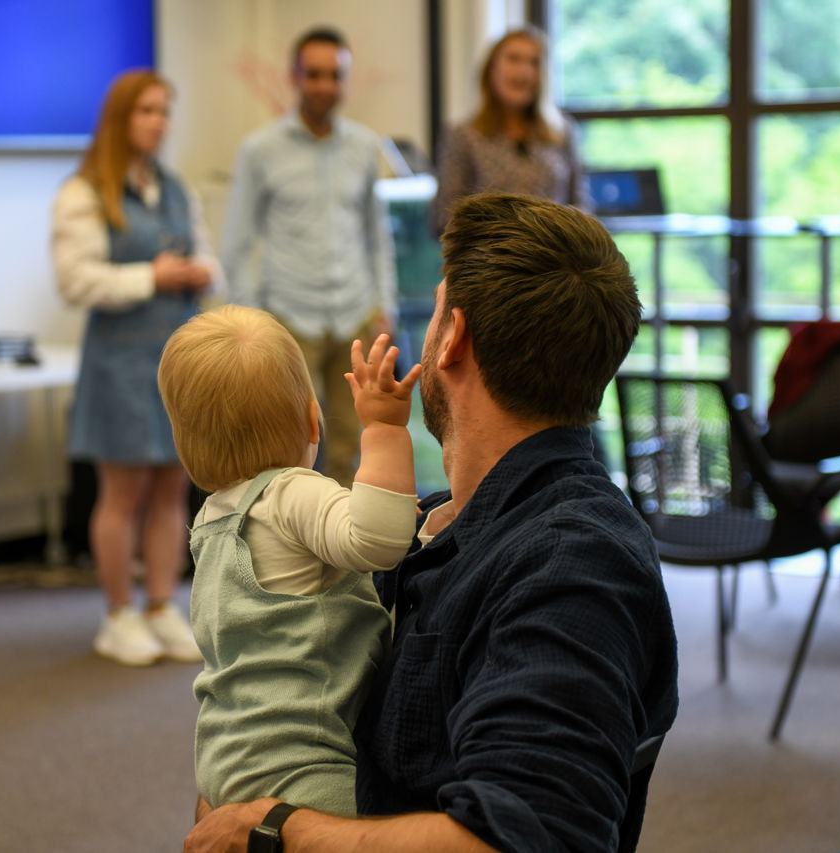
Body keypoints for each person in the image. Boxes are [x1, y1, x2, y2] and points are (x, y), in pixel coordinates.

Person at [184, 193, 679, 853]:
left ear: (453, 339)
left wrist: (273, 827)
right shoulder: (447, 521)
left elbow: (531, 835)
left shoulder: (573, 563)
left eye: (439, 306)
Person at [158, 305, 421, 818]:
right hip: (303, 763)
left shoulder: (213, 519)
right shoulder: (291, 492)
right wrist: (384, 428)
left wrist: (374, 504)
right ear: (311, 419)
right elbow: (381, 543)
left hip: (227, 752)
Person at [51, 69, 222, 667]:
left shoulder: (176, 189)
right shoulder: (83, 193)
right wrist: (152, 276)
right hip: (119, 362)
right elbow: (75, 281)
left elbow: (210, 259)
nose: (157, 122)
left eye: (164, 111)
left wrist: (201, 272)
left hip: (175, 360)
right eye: (146, 110)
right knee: (124, 492)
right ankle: (118, 614)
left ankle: (160, 606)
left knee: (173, 489)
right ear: (120, 119)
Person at [220, 26, 397, 489]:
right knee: (289, 444)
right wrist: (252, 317)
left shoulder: (364, 146)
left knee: (352, 446)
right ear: (295, 77)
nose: (324, 85)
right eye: (314, 74)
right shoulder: (260, 149)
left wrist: (385, 305)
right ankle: (294, 533)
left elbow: (376, 234)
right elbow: (236, 242)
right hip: (289, 317)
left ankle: (347, 537)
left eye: (335, 75)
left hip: (354, 314)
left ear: (346, 80)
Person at [430, 26, 591, 237]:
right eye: (514, 59)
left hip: (554, 252)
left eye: (534, 62)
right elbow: (444, 216)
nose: (525, 71)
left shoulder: (562, 132)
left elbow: (581, 206)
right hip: (491, 253)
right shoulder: (463, 135)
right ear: (491, 69)